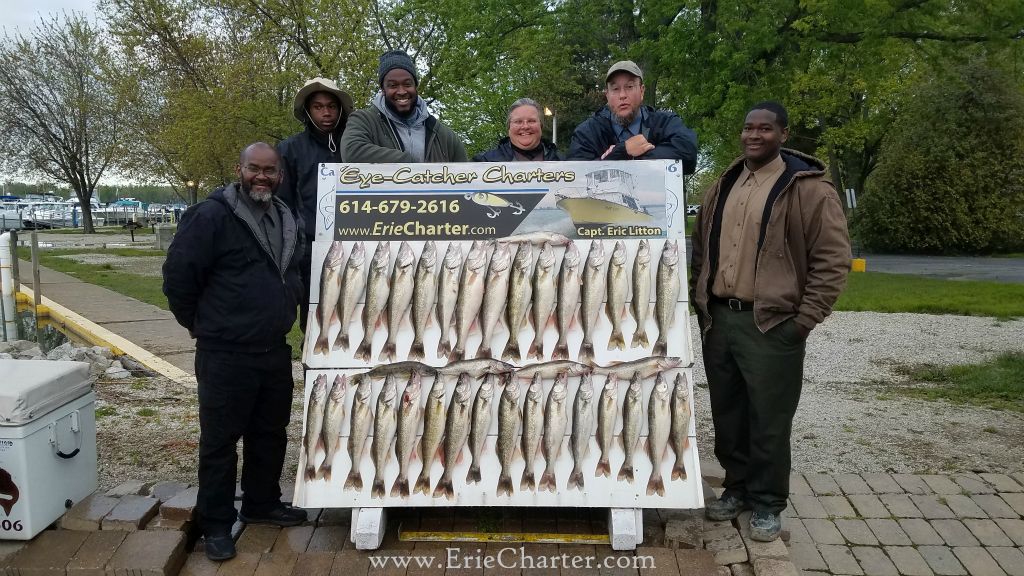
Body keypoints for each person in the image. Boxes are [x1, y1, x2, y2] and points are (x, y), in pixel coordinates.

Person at [689, 101, 850, 541]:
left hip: (772, 324)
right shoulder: (725, 182)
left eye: (764, 129)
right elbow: (701, 244)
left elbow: (833, 261)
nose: (754, 135)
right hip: (721, 320)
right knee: (728, 413)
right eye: (748, 128)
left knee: (769, 420)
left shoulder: (810, 190)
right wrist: (697, 295)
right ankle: (736, 488)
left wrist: (804, 320)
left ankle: (767, 502)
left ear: (783, 133)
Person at [162, 143, 307, 561]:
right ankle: (217, 524)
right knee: (220, 443)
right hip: (224, 351)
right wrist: (202, 325)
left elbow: (292, 271)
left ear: (280, 174)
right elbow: (178, 279)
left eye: (270, 170)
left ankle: (262, 502)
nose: (262, 177)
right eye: (254, 169)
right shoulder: (210, 216)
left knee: (270, 434)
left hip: (274, 350)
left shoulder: (286, 216)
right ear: (238, 169)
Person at [277, 77, 353, 332]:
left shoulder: (356, 146)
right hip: (311, 255)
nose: (326, 112)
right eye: (318, 107)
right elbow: (283, 205)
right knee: (315, 325)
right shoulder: (290, 149)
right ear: (308, 111)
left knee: (356, 317)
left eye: (331, 105)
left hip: (356, 248)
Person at [568, 60, 697, 173]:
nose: (622, 95)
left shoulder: (665, 123)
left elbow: (688, 155)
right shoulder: (588, 132)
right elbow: (576, 174)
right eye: (615, 89)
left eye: (629, 87)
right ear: (607, 95)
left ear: (642, 91)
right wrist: (623, 150)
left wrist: (633, 155)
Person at [341, 50, 467, 163]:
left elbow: (465, 178)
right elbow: (351, 151)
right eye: (393, 85)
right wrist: (408, 162)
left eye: (407, 84)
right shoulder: (364, 120)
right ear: (383, 90)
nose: (401, 91)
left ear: (416, 86)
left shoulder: (444, 135)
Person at [473, 98, 562, 161]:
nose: (525, 126)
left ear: (541, 125)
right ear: (509, 127)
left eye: (531, 121)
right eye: (518, 122)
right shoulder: (483, 162)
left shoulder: (564, 162)